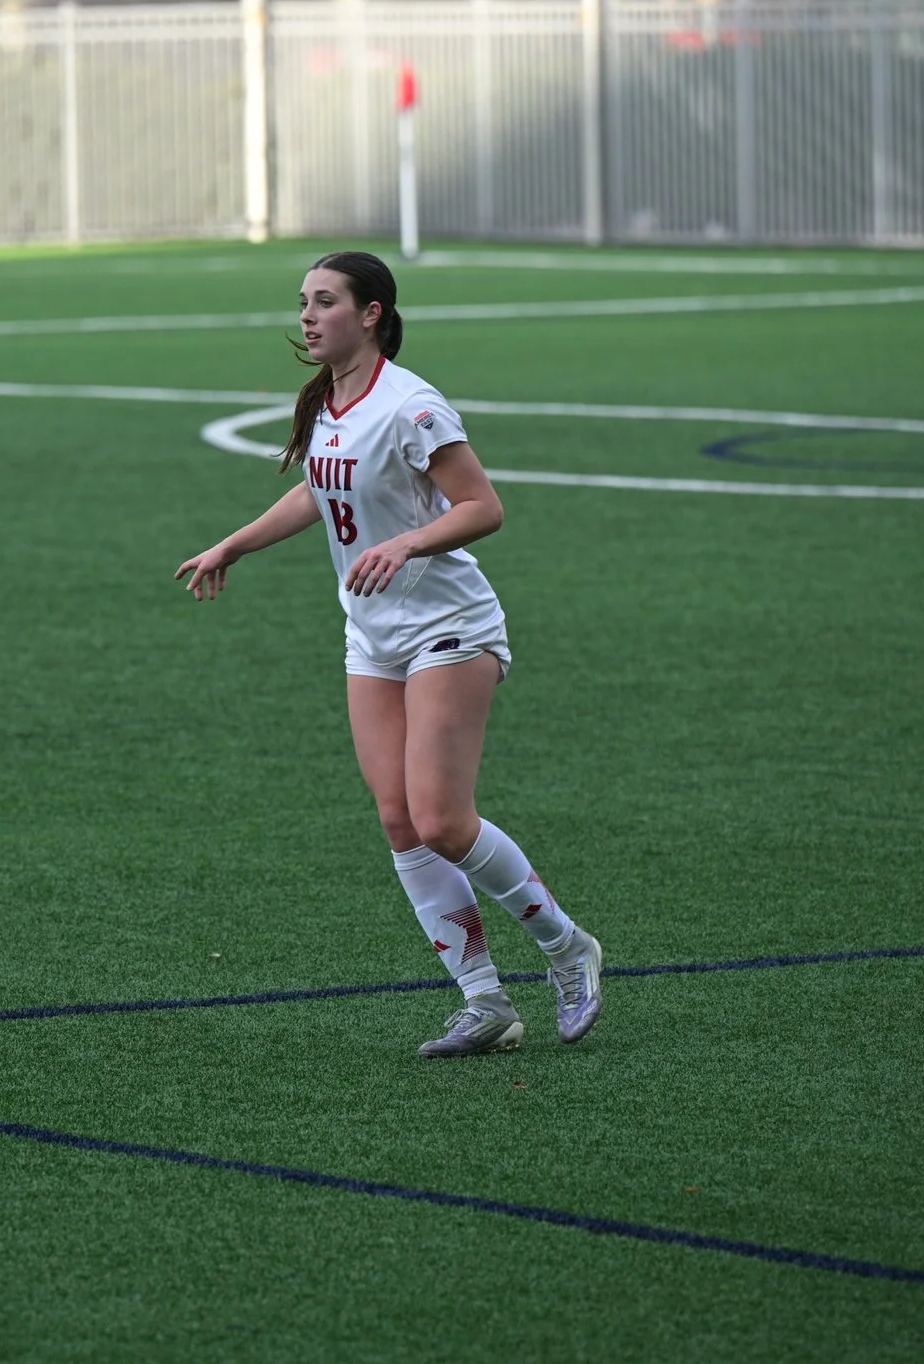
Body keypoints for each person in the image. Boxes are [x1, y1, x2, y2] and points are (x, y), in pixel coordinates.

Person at [174, 250, 605, 1058]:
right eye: (302, 302)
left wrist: (408, 543)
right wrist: (232, 545)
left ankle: (565, 947)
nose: (307, 316)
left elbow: (483, 507)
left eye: (325, 302)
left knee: (443, 818)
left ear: (371, 313)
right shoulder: (328, 401)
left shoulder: (412, 406)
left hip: (449, 625)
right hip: (371, 632)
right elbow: (317, 490)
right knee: (400, 819)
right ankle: (485, 1002)